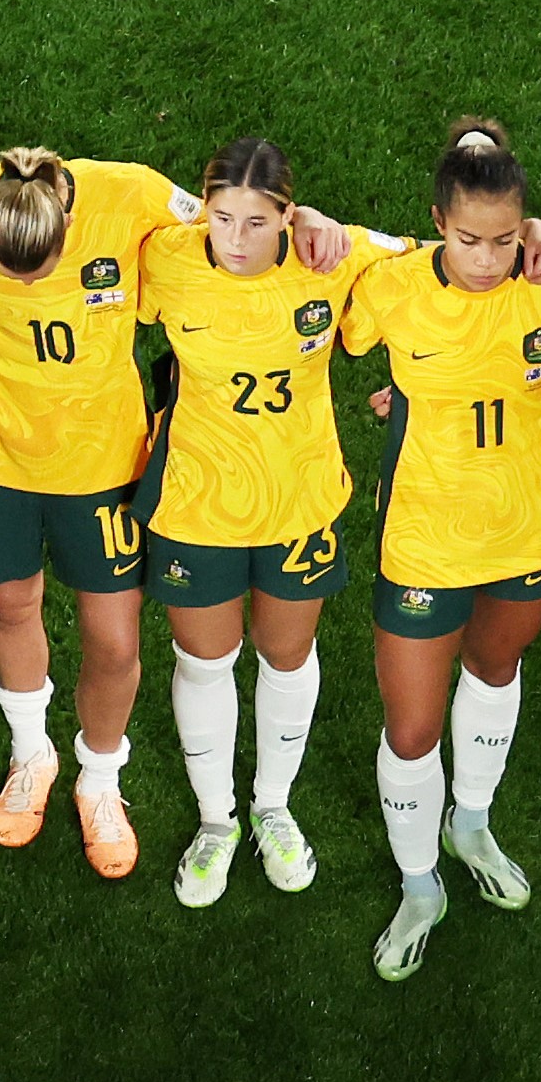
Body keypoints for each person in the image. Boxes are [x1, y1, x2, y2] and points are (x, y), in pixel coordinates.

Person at [342, 121, 541, 979]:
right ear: (435, 225)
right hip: (422, 540)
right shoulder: (391, 291)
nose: (487, 260)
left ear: (527, 230)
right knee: (412, 728)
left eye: (505, 240)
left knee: (494, 673)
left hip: (528, 530)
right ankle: (420, 885)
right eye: (467, 239)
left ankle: (472, 822)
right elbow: (329, 302)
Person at [134, 138, 395, 908]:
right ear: (203, 209)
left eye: (258, 222)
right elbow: (90, 216)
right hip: (195, 502)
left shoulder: (330, 258)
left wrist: (539, 239)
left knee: (287, 656)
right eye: (222, 219)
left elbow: (436, 261)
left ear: (288, 214)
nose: (237, 241)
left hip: (298, 499)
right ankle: (217, 821)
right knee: (206, 663)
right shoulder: (167, 257)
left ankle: (272, 806)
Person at [0, 148, 199, 872]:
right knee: (12, 604)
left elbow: (222, 233)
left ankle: (101, 781)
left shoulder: (131, 192)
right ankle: (31, 755)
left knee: (113, 641)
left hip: (103, 462)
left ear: (70, 222)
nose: (24, 284)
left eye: (38, 268)